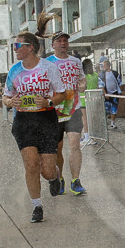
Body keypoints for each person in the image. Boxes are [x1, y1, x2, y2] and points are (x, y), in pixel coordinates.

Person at [2, 31, 68, 224]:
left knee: (46, 170)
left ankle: (55, 176)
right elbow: (5, 96)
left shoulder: (48, 67)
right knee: (31, 164)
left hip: (46, 119)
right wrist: (9, 101)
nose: (15, 50)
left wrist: (48, 100)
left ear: (30, 47)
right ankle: (37, 206)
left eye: (17, 46)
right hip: (23, 121)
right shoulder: (14, 70)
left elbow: (62, 94)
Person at [45, 32, 87, 196]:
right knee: (56, 149)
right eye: (59, 41)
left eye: (65, 41)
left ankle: (75, 181)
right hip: (54, 111)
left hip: (73, 108)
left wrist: (82, 85)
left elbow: (81, 79)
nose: (63, 44)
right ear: (53, 45)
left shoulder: (76, 62)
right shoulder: (47, 63)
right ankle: (59, 178)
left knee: (75, 145)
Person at [98, 56, 122, 128]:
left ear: (108, 65)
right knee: (106, 109)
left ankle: (112, 123)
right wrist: (105, 94)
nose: (104, 67)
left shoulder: (115, 73)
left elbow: (119, 82)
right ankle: (104, 123)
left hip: (115, 93)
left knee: (114, 109)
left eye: (105, 65)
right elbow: (101, 85)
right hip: (106, 94)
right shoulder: (102, 75)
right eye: (103, 66)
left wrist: (119, 92)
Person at [80, 58, 98, 146]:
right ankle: (93, 138)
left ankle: (87, 138)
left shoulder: (84, 77)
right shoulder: (95, 75)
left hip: (84, 100)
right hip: (94, 100)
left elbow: (82, 89)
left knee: (85, 121)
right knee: (92, 120)